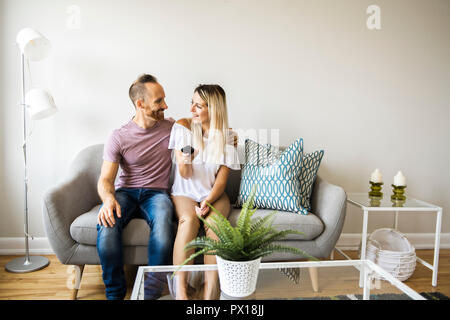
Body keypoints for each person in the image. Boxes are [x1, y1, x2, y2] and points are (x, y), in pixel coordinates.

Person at [96, 74, 176, 300]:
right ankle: (114, 294)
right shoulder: (118, 136)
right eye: (158, 101)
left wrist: (230, 137)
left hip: (157, 193)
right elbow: (105, 179)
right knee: (107, 224)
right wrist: (108, 199)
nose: (165, 105)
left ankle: (150, 294)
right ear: (140, 104)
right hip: (126, 193)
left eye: (164, 99)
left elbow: (205, 131)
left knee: (163, 224)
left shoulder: (172, 128)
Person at [169, 84, 240, 299]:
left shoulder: (227, 136)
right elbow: (185, 172)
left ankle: (210, 290)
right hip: (185, 192)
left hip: (213, 194)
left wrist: (207, 202)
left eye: (198, 106)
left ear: (214, 109)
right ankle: (181, 291)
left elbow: (221, 180)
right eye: (191, 103)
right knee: (188, 222)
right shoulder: (183, 127)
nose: (191, 109)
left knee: (217, 226)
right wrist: (188, 156)